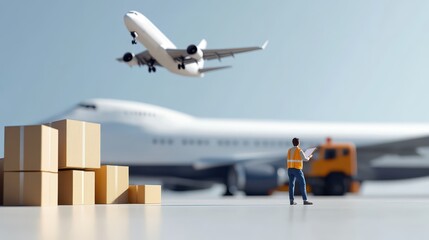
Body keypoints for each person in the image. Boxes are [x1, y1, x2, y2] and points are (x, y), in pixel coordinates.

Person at [287, 138, 313, 205]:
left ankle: (291, 200)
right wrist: (309, 156)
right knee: (302, 184)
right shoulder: (299, 150)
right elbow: (305, 159)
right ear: (299, 143)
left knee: (291, 185)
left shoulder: (289, 150)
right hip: (297, 169)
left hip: (290, 169)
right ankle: (305, 200)